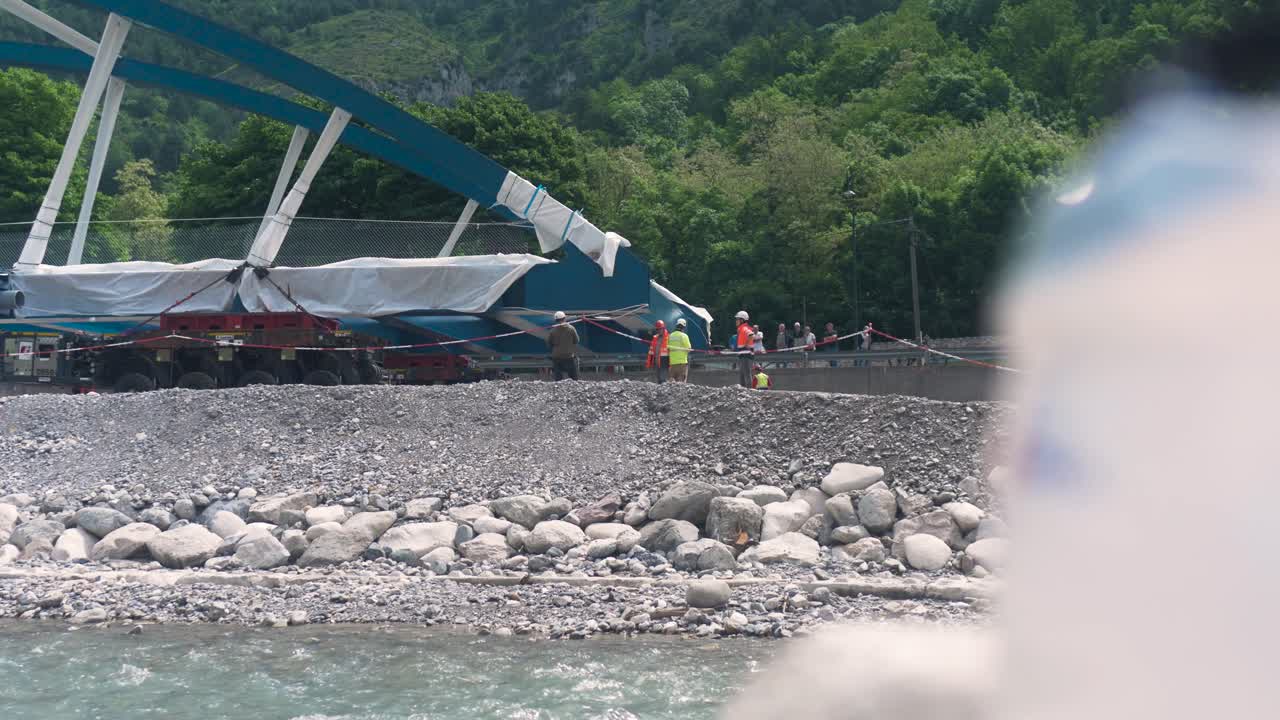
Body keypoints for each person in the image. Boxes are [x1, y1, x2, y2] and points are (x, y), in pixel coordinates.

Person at [546, 311, 579, 380]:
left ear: (555, 320)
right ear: (565, 318)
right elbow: (576, 340)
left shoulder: (552, 331)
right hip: (569, 356)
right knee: (574, 378)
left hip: (557, 356)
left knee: (558, 378)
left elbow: (549, 343)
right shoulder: (571, 328)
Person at [668, 318, 692, 383]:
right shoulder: (684, 336)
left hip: (672, 363)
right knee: (681, 384)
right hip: (682, 363)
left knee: (672, 384)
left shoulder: (670, 336)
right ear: (684, 327)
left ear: (676, 325)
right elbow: (689, 349)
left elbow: (668, 348)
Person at [734, 310, 754, 388]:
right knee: (742, 374)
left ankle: (749, 390)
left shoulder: (744, 328)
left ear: (742, 320)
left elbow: (751, 334)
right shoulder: (741, 328)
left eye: (737, 319)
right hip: (743, 354)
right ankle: (743, 389)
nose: (736, 321)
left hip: (746, 354)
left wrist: (747, 344)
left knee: (746, 374)